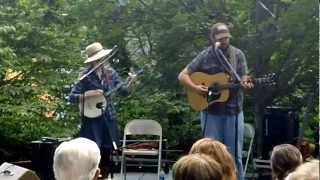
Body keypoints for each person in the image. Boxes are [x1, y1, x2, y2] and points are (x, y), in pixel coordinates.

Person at [178, 22, 253, 180]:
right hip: (210, 112)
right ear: (213, 38)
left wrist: (245, 83)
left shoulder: (237, 54)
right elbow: (182, 76)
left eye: (227, 38)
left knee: (234, 156)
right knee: (208, 154)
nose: (225, 41)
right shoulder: (205, 55)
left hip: (234, 112)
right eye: (221, 38)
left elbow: (244, 77)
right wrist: (196, 88)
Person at [69, 42, 134, 178]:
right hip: (91, 119)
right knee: (92, 151)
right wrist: (90, 94)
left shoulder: (110, 73)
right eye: (97, 58)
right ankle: (91, 177)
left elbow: (124, 92)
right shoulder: (85, 75)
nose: (100, 61)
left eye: (101, 58)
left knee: (106, 150)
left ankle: (103, 177)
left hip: (108, 116)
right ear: (92, 60)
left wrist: (130, 82)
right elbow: (72, 97)